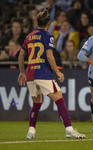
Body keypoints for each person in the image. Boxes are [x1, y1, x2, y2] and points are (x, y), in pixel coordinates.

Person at [17, 9, 85, 139]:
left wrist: (21, 72)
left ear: (37, 22)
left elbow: (21, 56)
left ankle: (31, 131)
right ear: (48, 23)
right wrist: (57, 71)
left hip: (30, 74)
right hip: (42, 74)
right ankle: (69, 129)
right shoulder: (48, 36)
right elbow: (49, 56)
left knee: (37, 103)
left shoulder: (29, 36)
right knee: (59, 99)